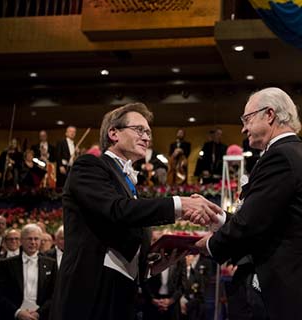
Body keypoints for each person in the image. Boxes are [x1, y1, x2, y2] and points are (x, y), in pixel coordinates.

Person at [49, 102, 223, 320]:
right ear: (113, 133)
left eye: (149, 132)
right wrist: (179, 204)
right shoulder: (89, 166)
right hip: (89, 294)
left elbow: (122, 236)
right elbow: (116, 211)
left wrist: (150, 266)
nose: (147, 137)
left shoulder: (129, 184)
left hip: (121, 296)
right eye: (139, 130)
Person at [195, 87, 302, 320]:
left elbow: (251, 223)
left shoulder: (281, 156)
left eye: (247, 119)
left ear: (270, 115)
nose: (243, 128)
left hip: (273, 293)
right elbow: (265, 221)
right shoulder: (292, 153)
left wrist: (211, 245)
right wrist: (219, 217)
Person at [0, 224, 57, 320]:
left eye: (36, 239)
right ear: (21, 241)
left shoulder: (51, 264)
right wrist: (17, 312)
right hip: (14, 315)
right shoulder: (6, 264)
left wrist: (38, 313)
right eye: (29, 239)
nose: (33, 242)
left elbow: (54, 294)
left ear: (40, 241)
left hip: (41, 316)